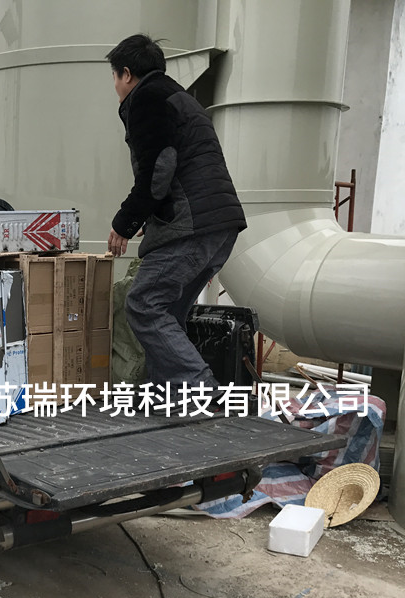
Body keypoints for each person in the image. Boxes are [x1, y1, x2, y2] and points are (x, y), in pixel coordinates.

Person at [105, 34, 247, 412]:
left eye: (114, 77)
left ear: (127, 74)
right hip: (219, 224)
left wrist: (125, 221)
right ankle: (167, 399)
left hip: (193, 225)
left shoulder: (147, 99)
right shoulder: (180, 98)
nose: (114, 86)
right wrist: (150, 216)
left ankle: (202, 391)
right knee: (166, 313)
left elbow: (159, 169)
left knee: (144, 304)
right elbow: (180, 168)